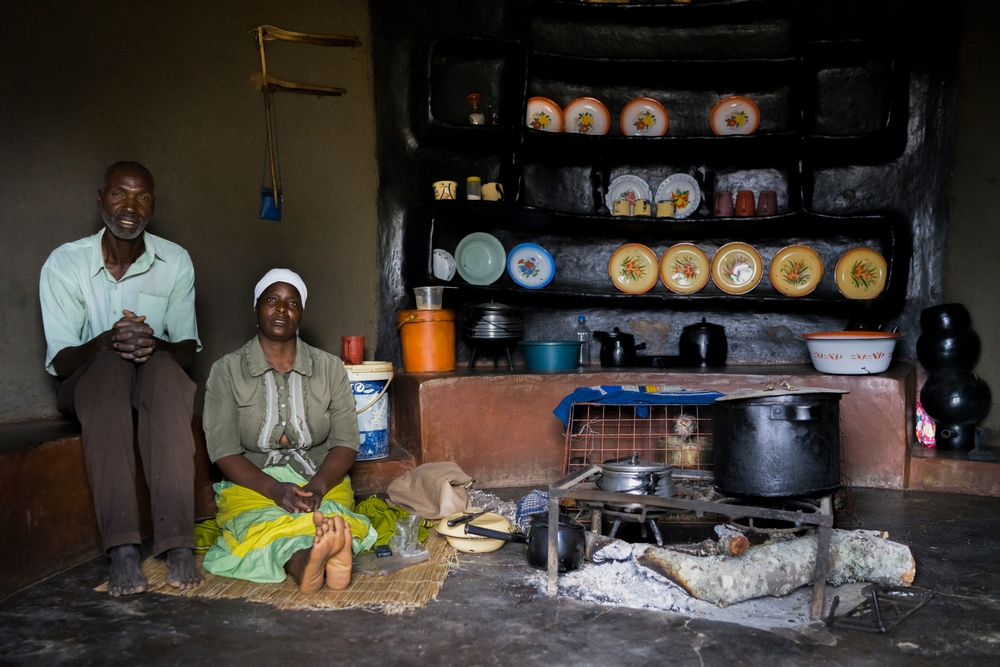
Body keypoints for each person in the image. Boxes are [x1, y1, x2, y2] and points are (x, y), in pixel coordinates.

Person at [39, 161, 204, 597]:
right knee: (111, 366)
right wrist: (107, 341)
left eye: (142, 196)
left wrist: (154, 343)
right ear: (100, 199)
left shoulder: (176, 261)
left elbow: (186, 350)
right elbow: (61, 360)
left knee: (166, 371)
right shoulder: (65, 262)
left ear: (153, 206)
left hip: (152, 381)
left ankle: (178, 543)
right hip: (88, 381)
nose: (129, 206)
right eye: (119, 194)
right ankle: (123, 549)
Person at [201, 269, 376, 593]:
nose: (282, 309)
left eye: (292, 302)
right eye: (272, 300)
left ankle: (315, 557)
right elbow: (223, 451)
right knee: (256, 522)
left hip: (321, 479)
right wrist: (274, 491)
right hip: (252, 484)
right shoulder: (226, 371)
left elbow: (346, 441)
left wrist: (318, 487)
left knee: (330, 514)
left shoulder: (329, 368)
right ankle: (309, 559)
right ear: (256, 309)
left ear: (301, 314)